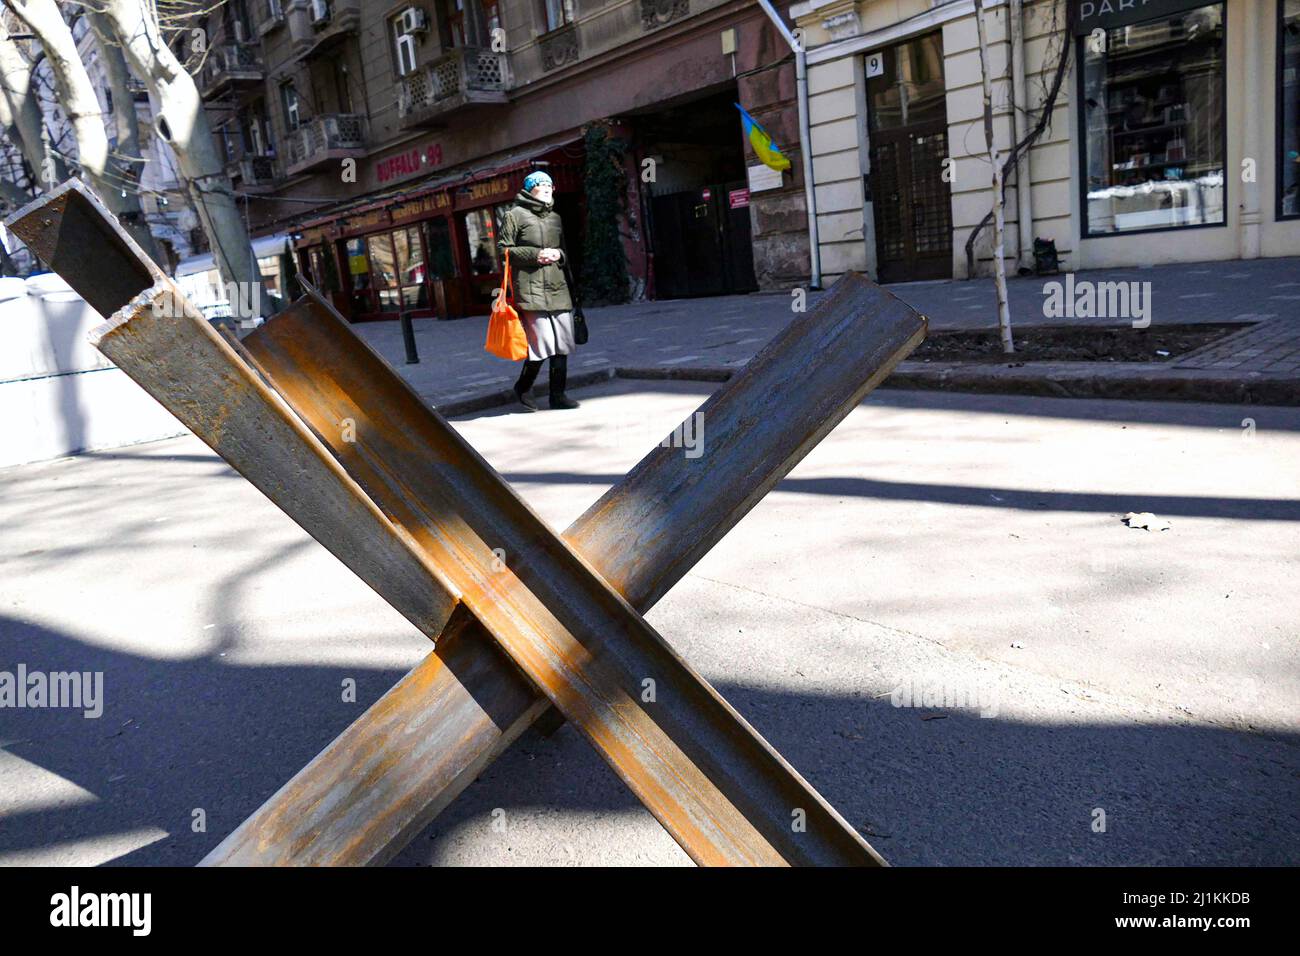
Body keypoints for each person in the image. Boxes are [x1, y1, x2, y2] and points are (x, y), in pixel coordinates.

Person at [498, 170, 580, 410]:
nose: (546, 188)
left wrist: (559, 255)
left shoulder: (556, 218)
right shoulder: (514, 215)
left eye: (549, 185)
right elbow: (504, 250)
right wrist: (536, 255)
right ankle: (523, 388)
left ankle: (558, 396)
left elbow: (566, 250)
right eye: (540, 185)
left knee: (563, 345)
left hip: (558, 288)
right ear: (529, 189)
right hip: (531, 291)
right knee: (541, 345)